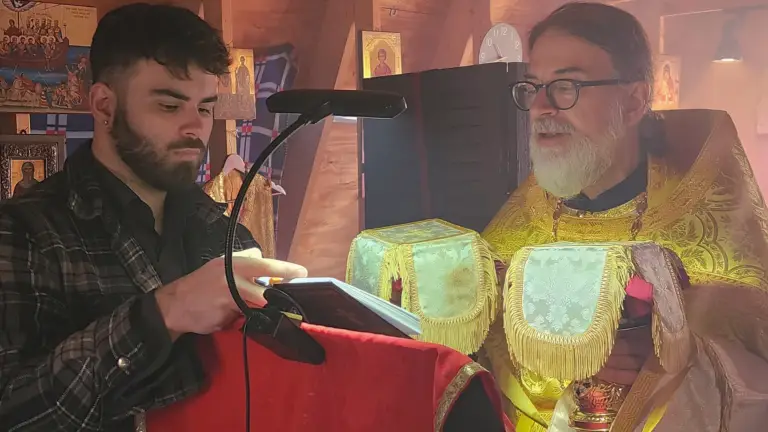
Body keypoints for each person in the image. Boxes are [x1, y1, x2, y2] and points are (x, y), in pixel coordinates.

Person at [0, 4, 307, 431]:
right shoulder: (24, 231)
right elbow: (11, 409)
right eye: (169, 106)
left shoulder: (224, 231)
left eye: (204, 108)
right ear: (104, 105)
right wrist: (164, 313)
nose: (195, 128)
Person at [481, 3, 768, 431]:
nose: (540, 107)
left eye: (566, 85)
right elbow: (481, 354)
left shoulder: (708, 216)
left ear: (634, 100)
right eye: (533, 86)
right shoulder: (519, 222)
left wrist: (669, 361)